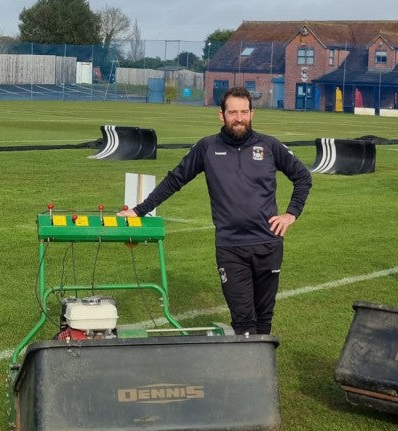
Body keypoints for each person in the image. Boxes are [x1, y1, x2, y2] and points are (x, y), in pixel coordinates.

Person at [119, 86, 312, 335]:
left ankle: (260, 371)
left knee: (264, 319)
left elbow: (303, 177)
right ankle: (246, 370)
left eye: (244, 112)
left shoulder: (269, 146)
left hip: (268, 245)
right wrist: (140, 210)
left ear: (252, 113)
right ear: (221, 115)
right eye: (233, 112)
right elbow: (175, 179)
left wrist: (290, 214)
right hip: (230, 248)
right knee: (243, 321)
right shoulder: (207, 147)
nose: (239, 118)